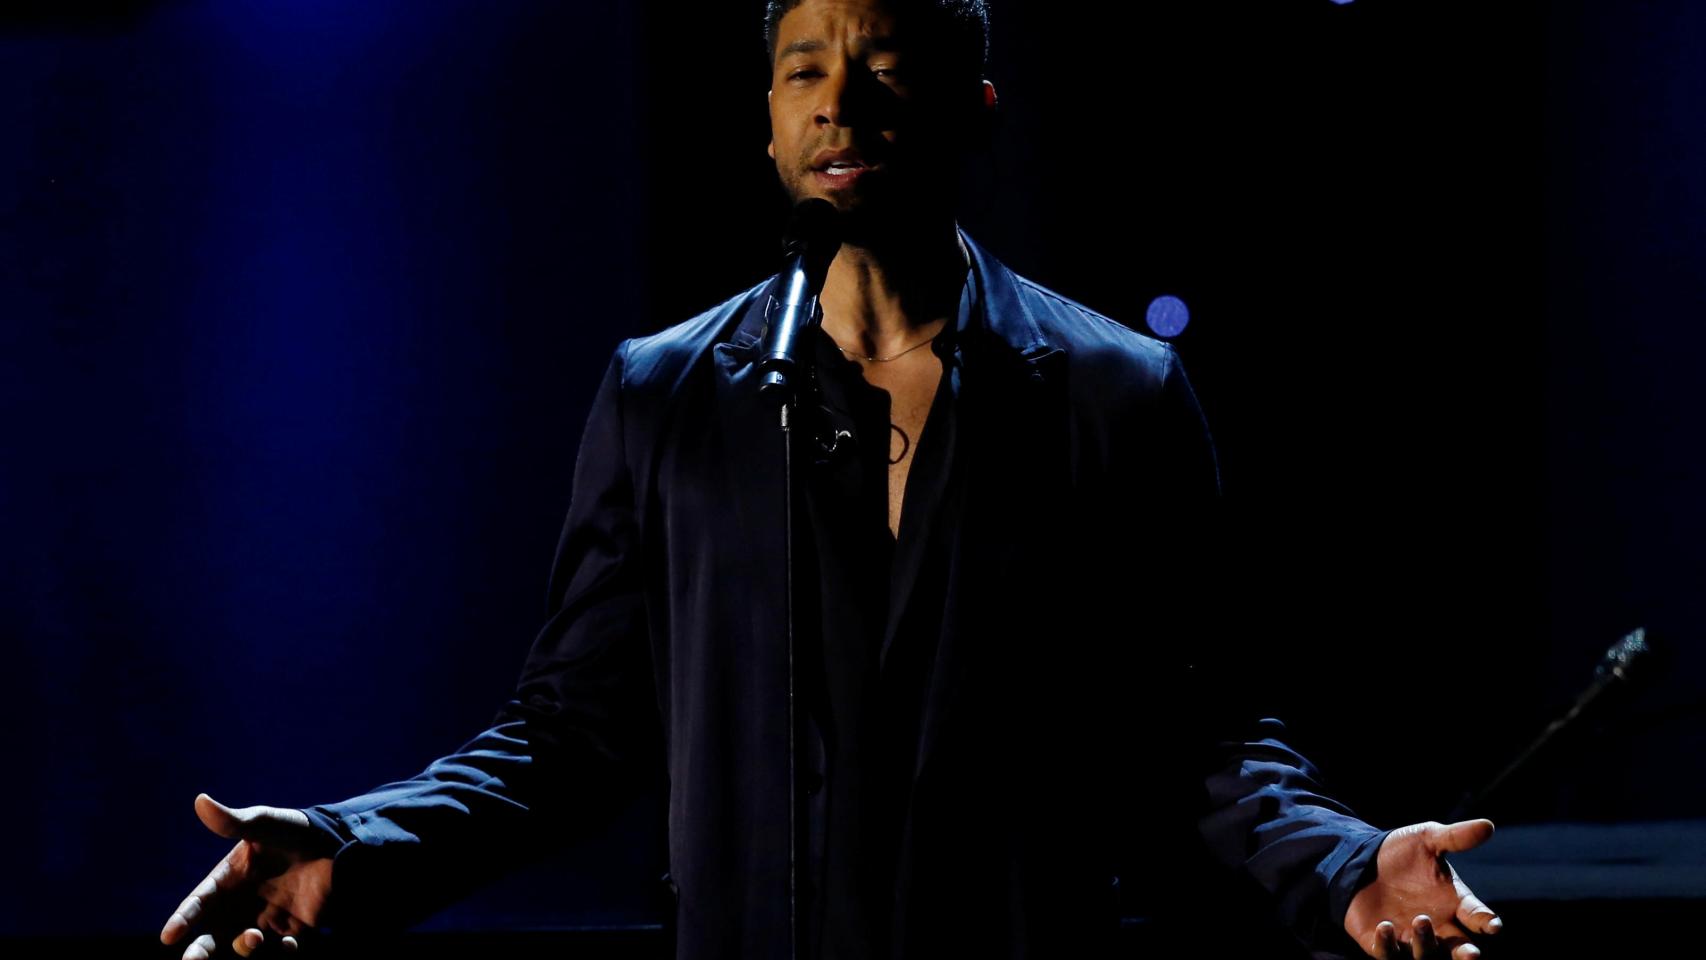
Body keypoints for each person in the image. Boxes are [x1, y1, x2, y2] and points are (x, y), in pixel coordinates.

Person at [159, 1, 1506, 958]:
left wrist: (1347, 866)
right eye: (802, 69)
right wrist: (356, 843)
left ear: (974, 106)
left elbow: (1198, 730)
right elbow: (570, 733)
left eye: (885, 66)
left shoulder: (1114, 392)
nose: (838, 101)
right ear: (766, 121)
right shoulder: (664, 391)